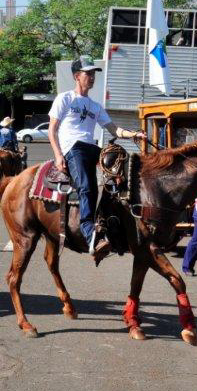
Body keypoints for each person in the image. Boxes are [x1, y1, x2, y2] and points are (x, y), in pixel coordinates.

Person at [47, 56, 146, 260]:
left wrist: (134, 134)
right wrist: (58, 155)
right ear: (77, 76)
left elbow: (114, 130)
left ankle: (115, 222)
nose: (92, 77)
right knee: (87, 185)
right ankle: (88, 231)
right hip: (73, 148)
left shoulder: (95, 105)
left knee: (120, 171)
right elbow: (52, 129)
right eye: (88, 73)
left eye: (93, 74)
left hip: (92, 147)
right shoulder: (65, 98)